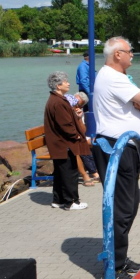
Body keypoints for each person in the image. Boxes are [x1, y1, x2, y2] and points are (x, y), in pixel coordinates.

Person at [91, 37, 140, 279]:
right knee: (122, 209)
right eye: (130, 52)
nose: (132, 57)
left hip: (124, 147)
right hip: (115, 148)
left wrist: (139, 101)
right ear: (117, 54)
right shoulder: (113, 76)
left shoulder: (113, 76)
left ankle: (120, 258)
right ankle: (113, 268)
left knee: (128, 207)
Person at [44, 71, 91, 211]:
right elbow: (64, 124)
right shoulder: (58, 102)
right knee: (69, 172)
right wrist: (75, 135)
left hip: (58, 144)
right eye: (65, 81)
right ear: (58, 86)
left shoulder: (56, 100)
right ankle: (71, 202)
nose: (68, 83)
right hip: (64, 144)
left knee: (60, 172)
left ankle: (58, 200)